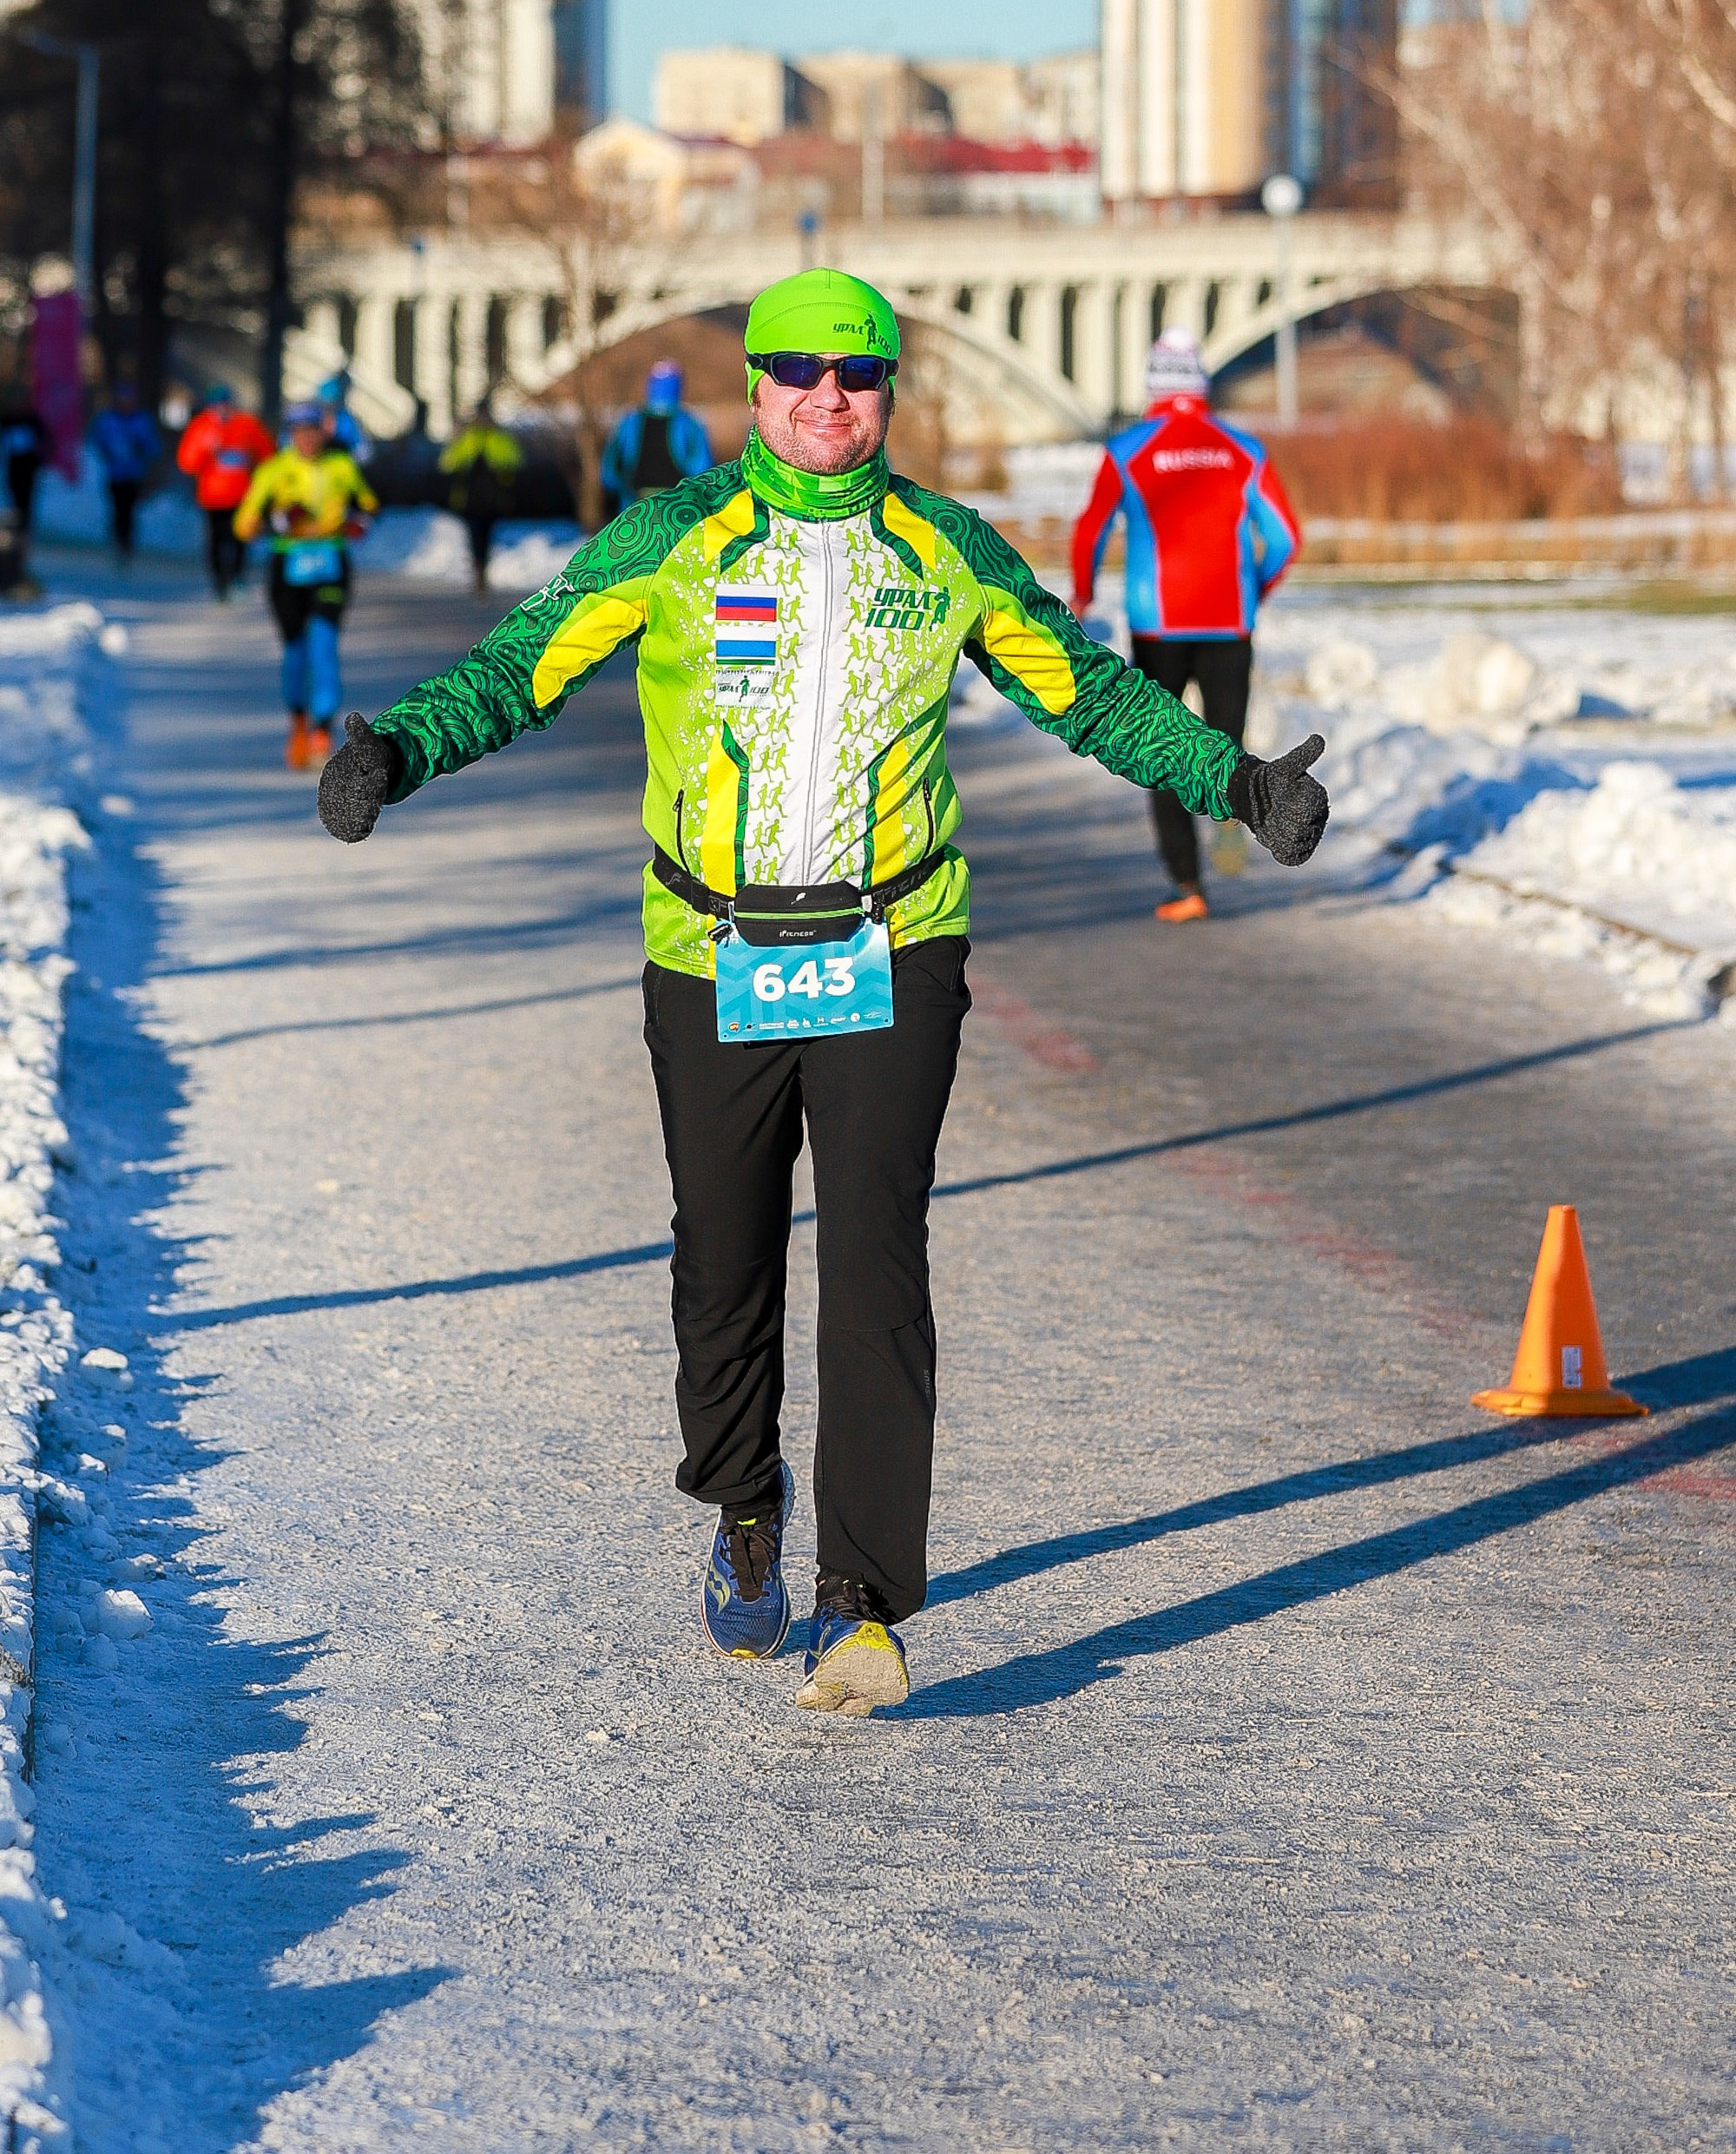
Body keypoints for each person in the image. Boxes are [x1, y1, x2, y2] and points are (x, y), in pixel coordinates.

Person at [316, 271, 1329, 1716]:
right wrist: (398, 751)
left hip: (895, 946)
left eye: (857, 377)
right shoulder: (674, 539)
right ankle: (743, 1501)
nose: (826, 399)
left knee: (875, 1257)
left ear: (891, 393)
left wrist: (1234, 780)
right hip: (712, 948)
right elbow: (522, 666)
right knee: (724, 1259)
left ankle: (867, 1605)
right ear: (753, 383)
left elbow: (1088, 694)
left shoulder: (947, 550)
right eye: (796, 372)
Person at [1071, 327, 1302, 924]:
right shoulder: (1242, 449)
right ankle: (1229, 810)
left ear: (1152, 384)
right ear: (1201, 383)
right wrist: (1256, 587)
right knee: (1225, 741)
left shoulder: (1128, 451)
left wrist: (1083, 594)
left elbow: (1091, 528)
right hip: (1229, 620)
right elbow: (1284, 537)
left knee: (1165, 748)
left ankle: (1187, 884)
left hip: (1157, 625)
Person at [235, 401, 378, 770]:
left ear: (322, 432)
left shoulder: (341, 466)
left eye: (312, 431)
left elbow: (369, 505)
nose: (307, 439)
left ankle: (322, 729)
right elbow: (244, 522)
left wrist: (358, 521)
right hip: (288, 567)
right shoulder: (274, 471)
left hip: (331, 563)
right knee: (296, 651)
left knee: (325, 644)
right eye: (299, 432)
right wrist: (274, 520)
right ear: (290, 434)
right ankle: (298, 720)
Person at [178, 385, 276, 600]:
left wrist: (255, 468)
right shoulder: (201, 426)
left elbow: (267, 454)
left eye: (226, 404)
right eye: (217, 405)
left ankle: (237, 579)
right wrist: (205, 450)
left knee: (240, 539)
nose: (222, 410)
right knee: (215, 540)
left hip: (242, 495)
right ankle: (219, 583)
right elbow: (187, 463)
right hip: (212, 498)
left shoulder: (247, 424)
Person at [600, 361, 713, 517]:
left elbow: (610, 470)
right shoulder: (690, 423)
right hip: (676, 508)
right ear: (679, 386)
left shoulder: (630, 421)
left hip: (635, 507)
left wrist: (619, 490)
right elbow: (702, 469)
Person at [438, 397, 524, 594]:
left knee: (486, 537)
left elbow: (515, 460)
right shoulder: (467, 438)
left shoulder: (499, 438)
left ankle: (482, 571)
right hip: (470, 500)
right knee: (475, 536)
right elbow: (448, 463)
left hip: (492, 500)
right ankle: (478, 572)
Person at [89, 379, 159, 561]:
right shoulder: (108, 420)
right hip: (115, 473)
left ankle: (127, 543)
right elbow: (97, 441)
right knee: (117, 508)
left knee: (130, 510)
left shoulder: (142, 420)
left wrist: (140, 448)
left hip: (134, 474)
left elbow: (152, 447)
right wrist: (108, 452)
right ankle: (117, 541)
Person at [1, 392, 46, 557]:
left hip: (29, 469)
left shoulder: (33, 421)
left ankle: (25, 533)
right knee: (14, 501)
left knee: (26, 501)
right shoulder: (9, 420)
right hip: (13, 468)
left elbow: (45, 441)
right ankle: (16, 531)